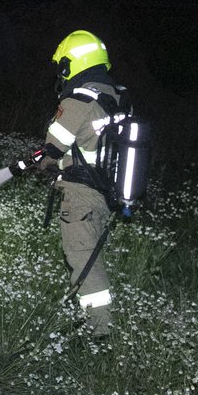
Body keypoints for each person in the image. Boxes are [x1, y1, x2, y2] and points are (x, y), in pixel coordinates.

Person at [33, 29, 128, 335]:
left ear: (70, 64)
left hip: (80, 195)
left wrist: (37, 162)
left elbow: (53, 149)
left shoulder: (78, 101)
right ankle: (97, 321)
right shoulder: (114, 97)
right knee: (89, 257)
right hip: (104, 192)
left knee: (84, 259)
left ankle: (100, 333)